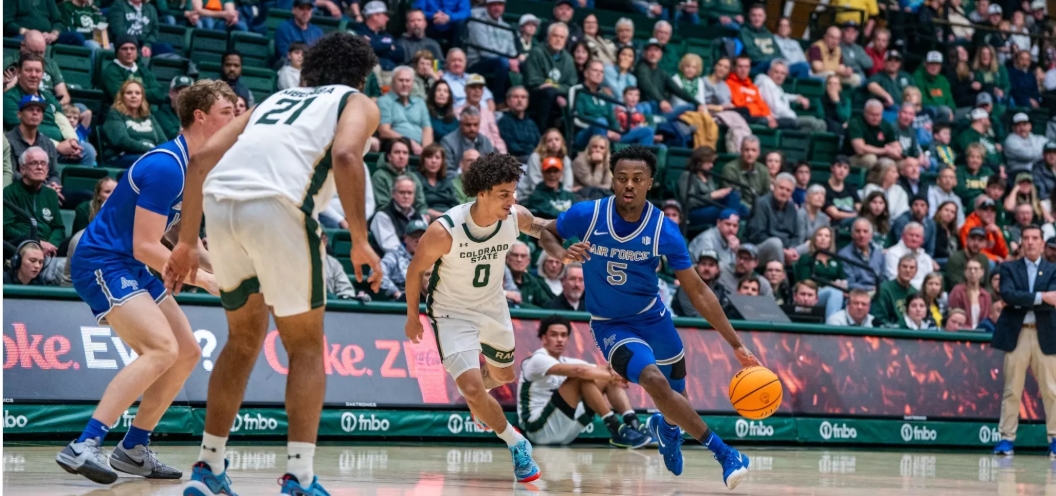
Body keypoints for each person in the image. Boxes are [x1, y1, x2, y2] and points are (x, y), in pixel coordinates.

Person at [163, 33, 384, 496]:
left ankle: (208, 468)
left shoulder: (274, 99)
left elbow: (201, 157)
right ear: (361, 76)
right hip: (280, 207)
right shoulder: (357, 102)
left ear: (310, 71)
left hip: (222, 205)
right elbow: (346, 155)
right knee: (304, 346)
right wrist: (360, 240)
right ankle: (300, 477)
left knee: (242, 340)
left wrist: (185, 243)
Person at [540, 145, 758, 487]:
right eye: (622, 178)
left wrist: (736, 345)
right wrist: (561, 253)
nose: (629, 185)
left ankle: (666, 430)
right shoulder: (589, 214)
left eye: (637, 179)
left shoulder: (664, 230)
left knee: (676, 395)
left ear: (650, 183)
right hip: (611, 325)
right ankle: (725, 453)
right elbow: (547, 231)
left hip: (653, 317)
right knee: (655, 381)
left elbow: (698, 291)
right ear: (612, 181)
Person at [54, 81, 233, 485]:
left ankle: (133, 448)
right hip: (103, 260)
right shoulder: (167, 166)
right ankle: (84, 444)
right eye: (227, 112)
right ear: (201, 117)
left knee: (185, 352)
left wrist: (221, 267)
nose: (234, 119)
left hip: (130, 264)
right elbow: (144, 244)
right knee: (160, 348)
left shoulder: (198, 167)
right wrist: (204, 280)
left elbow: (183, 239)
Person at [402, 153, 547, 483]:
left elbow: (543, 227)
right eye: (504, 194)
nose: (512, 201)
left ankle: (477, 398)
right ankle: (516, 443)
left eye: (513, 193)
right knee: (470, 386)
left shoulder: (513, 217)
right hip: (451, 312)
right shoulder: (445, 230)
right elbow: (415, 271)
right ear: (481, 192)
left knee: (504, 376)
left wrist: (571, 239)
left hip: (492, 306)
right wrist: (412, 316)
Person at [517, 314, 651, 447]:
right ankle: (616, 428)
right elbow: (580, 372)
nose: (559, 339)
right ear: (544, 338)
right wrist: (616, 376)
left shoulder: (568, 362)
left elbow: (600, 370)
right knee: (581, 377)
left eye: (563, 335)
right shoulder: (537, 359)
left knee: (604, 379)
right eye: (554, 335)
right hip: (538, 430)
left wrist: (613, 372)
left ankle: (633, 423)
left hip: (567, 432)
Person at [990, 225, 1056, 457]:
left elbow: (1054, 299)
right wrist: (1041, 297)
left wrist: (1022, 300)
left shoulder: (1053, 269)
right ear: (1021, 243)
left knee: (1052, 390)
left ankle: (1055, 438)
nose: (1029, 242)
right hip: (1017, 333)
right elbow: (1008, 294)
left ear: (1041, 243)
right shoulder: (1008, 268)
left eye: (1034, 238)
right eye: (1026, 238)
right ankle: (1007, 438)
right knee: (1012, 389)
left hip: (1045, 332)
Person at [3, 147, 65, 252]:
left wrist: (51, 245)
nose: (39, 167)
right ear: (22, 169)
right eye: (34, 163)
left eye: (43, 163)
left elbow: (58, 227)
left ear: (47, 170)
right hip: (21, 247)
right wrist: (36, 243)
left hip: (49, 249)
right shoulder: (10, 192)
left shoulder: (51, 194)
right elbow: (6, 228)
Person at [103, 80, 168, 168]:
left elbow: (163, 141)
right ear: (122, 97)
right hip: (123, 157)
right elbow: (122, 141)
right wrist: (150, 151)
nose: (134, 96)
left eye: (137, 93)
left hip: (151, 156)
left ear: (142, 97)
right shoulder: (115, 114)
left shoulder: (149, 116)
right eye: (129, 93)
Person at [524, 22, 577, 131]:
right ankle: (542, 131)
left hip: (559, 97)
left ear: (565, 41)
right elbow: (532, 80)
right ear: (548, 37)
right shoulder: (537, 52)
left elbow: (571, 85)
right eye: (555, 36)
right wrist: (553, 90)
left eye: (561, 37)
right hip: (536, 96)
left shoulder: (568, 59)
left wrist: (554, 89)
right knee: (549, 93)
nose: (558, 39)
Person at [678, 146, 748, 226]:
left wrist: (724, 193)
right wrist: (712, 195)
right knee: (725, 212)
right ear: (699, 161)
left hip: (710, 207)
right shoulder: (687, 176)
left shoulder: (709, 176)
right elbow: (689, 202)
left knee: (740, 205)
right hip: (694, 213)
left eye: (713, 163)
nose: (712, 166)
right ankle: (731, 226)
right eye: (709, 162)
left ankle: (732, 225)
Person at [464, 0, 516, 104]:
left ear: (504, 7)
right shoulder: (477, 22)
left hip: (499, 61)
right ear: (487, 6)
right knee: (502, 62)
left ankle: (519, 101)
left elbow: (512, 51)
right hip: (477, 63)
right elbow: (485, 53)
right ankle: (498, 101)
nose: (497, 8)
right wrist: (508, 59)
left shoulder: (507, 27)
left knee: (523, 64)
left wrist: (514, 61)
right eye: (494, 4)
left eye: (500, 5)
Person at [754, 59, 827, 132]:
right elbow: (777, 108)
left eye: (783, 73)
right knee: (813, 122)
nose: (779, 76)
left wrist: (797, 98)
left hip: (785, 119)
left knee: (821, 124)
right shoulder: (766, 83)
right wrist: (793, 116)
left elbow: (782, 96)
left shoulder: (776, 87)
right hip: (778, 120)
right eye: (776, 72)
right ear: (769, 72)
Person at [746, 172, 800, 268]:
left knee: (811, 246)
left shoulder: (792, 208)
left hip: (787, 248)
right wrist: (783, 250)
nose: (784, 192)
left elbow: (796, 236)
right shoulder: (761, 203)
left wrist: (792, 249)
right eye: (781, 188)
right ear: (774, 187)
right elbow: (757, 235)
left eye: (788, 190)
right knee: (775, 243)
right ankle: (783, 281)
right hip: (760, 247)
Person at [378, 66, 434, 154]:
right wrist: (410, 142)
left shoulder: (420, 102)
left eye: (408, 81)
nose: (404, 84)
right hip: (396, 147)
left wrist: (426, 152)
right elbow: (384, 131)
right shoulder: (384, 101)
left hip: (419, 148)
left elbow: (427, 129)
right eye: (401, 80)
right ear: (393, 82)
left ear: (412, 83)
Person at [378, 219, 427, 301]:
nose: (419, 240)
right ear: (405, 238)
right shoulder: (394, 256)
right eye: (415, 235)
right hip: (402, 304)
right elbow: (377, 273)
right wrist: (396, 293)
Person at [845, 99, 901, 169]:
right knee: (871, 159)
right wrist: (885, 151)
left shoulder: (886, 125)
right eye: (872, 115)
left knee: (903, 163)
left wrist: (895, 152)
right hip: (853, 158)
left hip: (879, 157)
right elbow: (860, 149)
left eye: (878, 115)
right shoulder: (855, 123)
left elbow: (896, 146)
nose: (875, 118)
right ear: (865, 113)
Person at [838, 217, 886, 293]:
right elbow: (849, 282)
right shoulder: (844, 255)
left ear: (871, 235)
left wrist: (880, 288)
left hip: (878, 292)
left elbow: (884, 278)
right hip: (857, 294)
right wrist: (870, 289)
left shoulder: (878, 253)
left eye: (865, 231)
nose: (861, 235)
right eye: (858, 231)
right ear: (852, 234)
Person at [873, 254, 919, 326]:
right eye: (904, 266)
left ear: (916, 271)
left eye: (912, 267)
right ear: (898, 269)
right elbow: (880, 319)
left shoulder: (915, 292)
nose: (908, 270)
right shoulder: (884, 289)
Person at [497, 86, 540, 163]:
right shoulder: (504, 122)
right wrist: (532, 152)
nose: (520, 100)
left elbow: (539, 144)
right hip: (515, 161)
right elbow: (512, 147)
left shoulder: (531, 123)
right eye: (516, 97)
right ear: (508, 101)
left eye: (523, 97)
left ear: (527, 101)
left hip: (533, 158)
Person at [505, 241, 554, 308]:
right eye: (515, 255)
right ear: (507, 259)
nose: (519, 259)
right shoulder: (501, 279)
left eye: (523, 256)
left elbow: (547, 305)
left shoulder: (532, 281)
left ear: (528, 261)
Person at [415, 143, 457, 218]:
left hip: (450, 218)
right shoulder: (416, 178)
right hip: (427, 218)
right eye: (429, 157)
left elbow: (455, 204)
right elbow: (417, 205)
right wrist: (442, 216)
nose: (433, 161)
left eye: (437, 158)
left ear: (442, 162)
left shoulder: (446, 181)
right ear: (423, 160)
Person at [949, 258, 991, 329]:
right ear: (965, 272)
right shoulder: (958, 291)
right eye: (969, 269)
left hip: (981, 332)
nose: (972, 271)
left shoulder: (986, 295)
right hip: (961, 331)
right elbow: (954, 314)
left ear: (982, 272)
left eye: (976, 269)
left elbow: (986, 317)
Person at [913, 51, 955, 123]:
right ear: (925, 64)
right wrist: (946, 109)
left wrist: (951, 109)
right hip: (928, 110)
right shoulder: (918, 76)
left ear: (940, 66)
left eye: (937, 64)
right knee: (944, 110)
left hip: (946, 111)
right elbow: (922, 100)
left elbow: (950, 99)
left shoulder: (943, 80)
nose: (934, 67)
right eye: (931, 64)